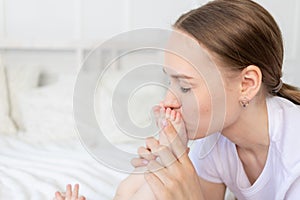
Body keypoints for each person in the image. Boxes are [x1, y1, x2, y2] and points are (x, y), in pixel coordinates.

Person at [55, 0, 300, 199]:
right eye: (169, 82)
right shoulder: (215, 141)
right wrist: (163, 161)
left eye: (184, 86)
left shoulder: (294, 154)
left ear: (246, 84)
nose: (167, 101)